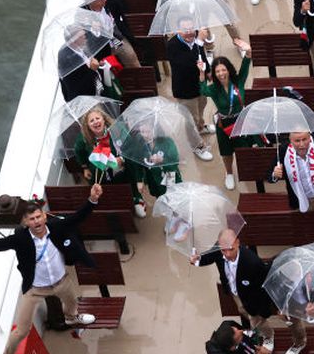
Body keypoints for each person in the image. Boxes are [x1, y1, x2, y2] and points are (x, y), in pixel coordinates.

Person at [0, 186, 101, 354]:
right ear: (25, 222)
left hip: (62, 280)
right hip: (35, 289)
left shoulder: (57, 226)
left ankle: (72, 318)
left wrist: (92, 199)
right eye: (31, 219)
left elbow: (78, 217)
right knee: (22, 330)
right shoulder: (20, 238)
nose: (36, 221)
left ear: (44, 216)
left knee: (71, 303)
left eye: (38, 217)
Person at [73, 106, 167, 217]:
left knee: (130, 173)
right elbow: (78, 151)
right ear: (88, 126)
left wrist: (122, 159)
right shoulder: (84, 138)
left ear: (103, 119)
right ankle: (113, 201)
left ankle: (136, 198)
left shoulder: (118, 129)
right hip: (101, 172)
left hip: (123, 168)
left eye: (97, 118)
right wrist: (85, 167)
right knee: (104, 194)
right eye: (91, 121)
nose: (95, 122)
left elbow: (131, 149)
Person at [192, 229, 278, 337]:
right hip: (235, 292)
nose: (227, 254)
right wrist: (197, 260)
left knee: (257, 321)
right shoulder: (219, 248)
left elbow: (263, 289)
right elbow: (208, 257)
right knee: (242, 309)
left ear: (237, 242)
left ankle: (268, 337)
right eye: (223, 250)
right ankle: (251, 324)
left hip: (251, 297)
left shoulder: (253, 263)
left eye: (231, 249)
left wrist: (265, 312)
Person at [199, 38, 255, 189]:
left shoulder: (238, 81)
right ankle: (229, 173)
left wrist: (248, 50)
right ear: (214, 73)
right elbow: (203, 90)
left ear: (228, 70)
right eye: (217, 71)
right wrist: (202, 75)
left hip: (240, 121)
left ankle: (248, 168)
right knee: (226, 151)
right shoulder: (214, 89)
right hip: (223, 124)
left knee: (244, 147)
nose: (221, 73)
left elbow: (246, 63)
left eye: (223, 70)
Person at [164, 18, 219, 159]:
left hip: (200, 85)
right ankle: (197, 146)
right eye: (185, 30)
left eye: (191, 29)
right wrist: (199, 43)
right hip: (185, 90)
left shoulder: (196, 40)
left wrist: (209, 72)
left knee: (201, 108)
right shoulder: (172, 45)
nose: (189, 33)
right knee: (190, 120)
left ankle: (200, 127)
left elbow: (202, 58)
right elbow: (187, 65)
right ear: (178, 30)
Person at [81, 0, 141, 70]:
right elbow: (84, 35)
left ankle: (137, 73)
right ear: (91, 1)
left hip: (117, 39)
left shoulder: (112, 3)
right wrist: (91, 28)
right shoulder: (82, 12)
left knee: (130, 56)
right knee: (104, 68)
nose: (104, 0)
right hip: (100, 46)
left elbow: (122, 21)